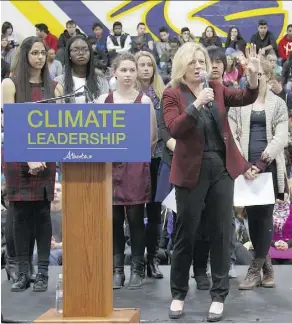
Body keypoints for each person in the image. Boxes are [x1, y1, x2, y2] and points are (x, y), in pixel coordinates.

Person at [163, 42, 259, 322]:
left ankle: (218, 295)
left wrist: (252, 76)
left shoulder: (216, 88)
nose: (198, 65)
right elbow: (174, 128)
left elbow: (245, 97)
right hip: (190, 170)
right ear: (182, 64)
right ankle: (178, 293)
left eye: (201, 61)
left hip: (220, 167)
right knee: (186, 234)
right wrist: (195, 104)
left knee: (220, 232)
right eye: (192, 61)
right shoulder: (172, 94)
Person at [96, 53, 157, 290]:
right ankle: (117, 270)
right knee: (114, 220)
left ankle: (137, 268)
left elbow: (152, 139)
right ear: (115, 73)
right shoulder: (103, 100)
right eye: (124, 70)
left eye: (132, 70)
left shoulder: (144, 102)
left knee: (135, 219)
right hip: (110, 167)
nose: (129, 75)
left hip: (134, 167)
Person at [1, 36, 57, 292]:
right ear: (24, 56)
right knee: (21, 215)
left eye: (42, 53)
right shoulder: (9, 84)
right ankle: (24, 273)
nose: (39, 57)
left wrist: (41, 156)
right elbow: (10, 125)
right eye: (35, 53)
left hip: (45, 157)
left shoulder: (53, 87)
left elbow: (57, 128)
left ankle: (43, 272)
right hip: (17, 155)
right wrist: (28, 157)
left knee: (43, 215)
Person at [228, 60, 288, 290]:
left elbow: (281, 137)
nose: (258, 77)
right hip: (245, 168)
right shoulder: (239, 103)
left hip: (268, 167)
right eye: (254, 74)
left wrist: (261, 163)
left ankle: (255, 269)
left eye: (261, 74)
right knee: (252, 217)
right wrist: (244, 165)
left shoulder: (279, 104)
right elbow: (231, 134)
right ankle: (267, 265)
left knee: (265, 215)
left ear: (269, 77)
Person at [135, 51, 165, 279]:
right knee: (135, 211)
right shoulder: (128, 94)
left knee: (155, 212)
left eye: (149, 65)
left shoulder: (163, 94)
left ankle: (153, 259)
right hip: (133, 161)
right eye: (141, 65)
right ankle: (136, 261)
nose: (146, 69)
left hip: (158, 158)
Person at [54, 35, 109, 102]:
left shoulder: (101, 81)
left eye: (85, 49)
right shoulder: (58, 82)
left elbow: (105, 107)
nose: (81, 53)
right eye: (75, 50)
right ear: (69, 55)